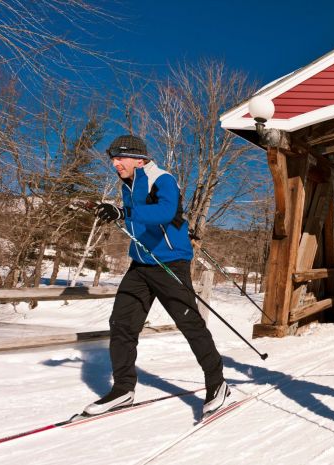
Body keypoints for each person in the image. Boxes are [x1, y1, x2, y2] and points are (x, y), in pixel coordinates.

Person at [84, 134, 228, 417]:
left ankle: (217, 383)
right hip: (140, 264)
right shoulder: (129, 183)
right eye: (113, 159)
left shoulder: (162, 179)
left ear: (139, 159)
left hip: (169, 262)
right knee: (122, 324)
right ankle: (123, 389)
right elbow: (134, 212)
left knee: (189, 324)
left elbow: (164, 212)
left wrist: (125, 213)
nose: (115, 165)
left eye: (120, 158)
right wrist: (116, 210)